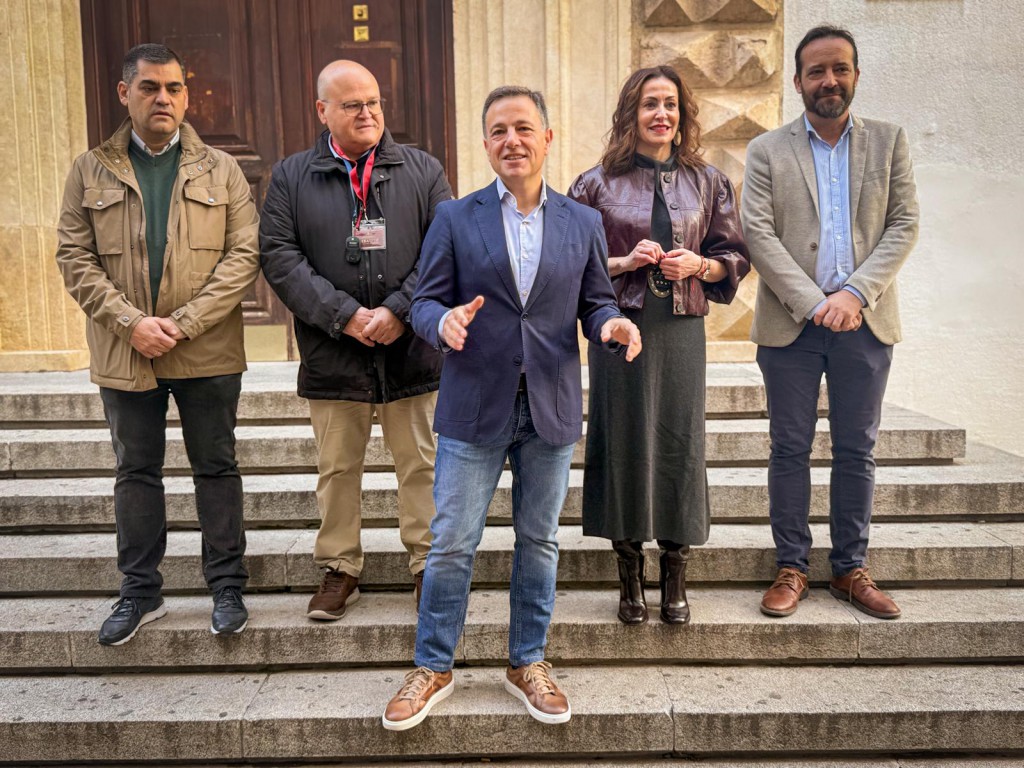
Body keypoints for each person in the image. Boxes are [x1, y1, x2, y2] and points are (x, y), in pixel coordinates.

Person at [382, 86, 641, 731]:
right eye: (498, 130)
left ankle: (527, 661)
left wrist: (612, 325)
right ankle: (433, 666)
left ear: (547, 137)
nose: (511, 141)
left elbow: (596, 303)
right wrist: (441, 323)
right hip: (473, 404)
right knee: (451, 542)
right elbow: (423, 301)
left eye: (523, 128)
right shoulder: (454, 217)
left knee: (539, 541)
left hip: (550, 405)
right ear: (486, 143)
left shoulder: (581, 222)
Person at [55, 43, 261, 645]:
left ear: (186, 96)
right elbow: (74, 257)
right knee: (136, 471)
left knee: (216, 467)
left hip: (207, 350)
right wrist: (131, 323)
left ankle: (227, 587)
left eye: (173, 88)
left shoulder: (221, 170)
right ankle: (140, 592)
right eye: (149, 87)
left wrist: (185, 322)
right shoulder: (90, 170)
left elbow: (243, 255)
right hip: (126, 352)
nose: (163, 98)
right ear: (126, 93)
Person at [260, 60, 452, 621]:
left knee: (421, 464)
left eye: (373, 102)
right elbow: (279, 256)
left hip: (411, 351)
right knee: (338, 469)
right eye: (352, 105)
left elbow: (445, 250)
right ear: (322, 111)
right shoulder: (291, 176)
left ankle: (427, 566)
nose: (367, 113)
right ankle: (339, 568)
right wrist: (343, 316)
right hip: (333, 352)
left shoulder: (423, 170)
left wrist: (399, 311)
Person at [742, 25, 919, 620]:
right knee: (789, 447)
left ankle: (849, 569)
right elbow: (758, 234)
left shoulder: (889, 142)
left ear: (856, 75)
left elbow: (904, 224)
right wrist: (816, 302)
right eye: (816, 71)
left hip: (865, 323)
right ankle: (792, 566)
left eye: (840, 68)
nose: (829, 80)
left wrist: (855, 294)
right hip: (792, 324)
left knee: (856, 448)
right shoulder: (767, 150)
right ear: (797, 82)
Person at [569, 66, 749, 626]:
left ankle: (675, 571)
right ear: (632, 112)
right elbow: (570, 264)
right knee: (622, 440)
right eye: (650, 103)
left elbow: (734, 257)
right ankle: (629, 575)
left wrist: (699, 265)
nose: (661, 114)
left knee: (679, 441)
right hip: (619, 328)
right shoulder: (594, 184)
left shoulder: (710, 182)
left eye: (670, 104)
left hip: (680, 330)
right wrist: (623, 261)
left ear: (682, 113)